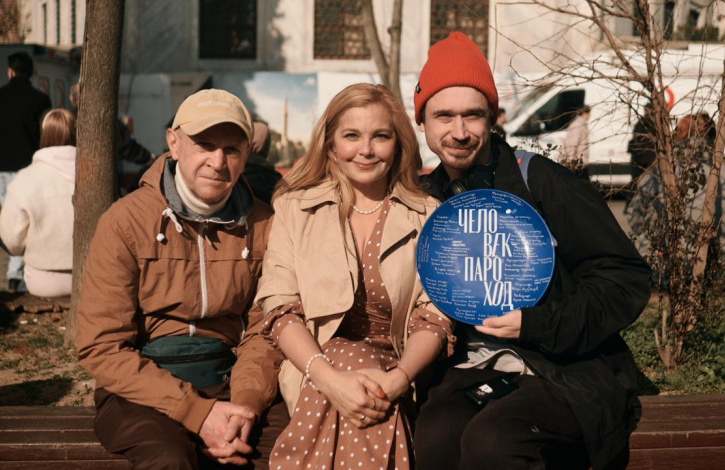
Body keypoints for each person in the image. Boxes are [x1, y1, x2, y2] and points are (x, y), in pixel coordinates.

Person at [413, 32, 651, 470]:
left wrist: (537, 324)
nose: (459, 132)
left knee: (494, 442)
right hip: (473, 368)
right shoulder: (426, 198)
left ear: (492, 117)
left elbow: (625, 278)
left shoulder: (539, 181)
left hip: (565, 368)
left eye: (473, 115)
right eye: (443, 115)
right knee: (434, 442)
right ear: (422, 121)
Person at [76, 89, 288, 469]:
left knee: (290, 447)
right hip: (139, 390)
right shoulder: (125, 222)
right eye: (204, 145)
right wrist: (196, 412)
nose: (217, 162)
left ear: (246, 156)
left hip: (230, 378)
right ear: (174, 143)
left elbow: (265, 330)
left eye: (231, 149)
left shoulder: (264, 224)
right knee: (169, 460)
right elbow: (102, 345)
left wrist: (244, 406)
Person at [253, 83, 454, 469]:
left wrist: (400, 378)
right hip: (312, 366)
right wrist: (329, 379)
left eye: (380, 136)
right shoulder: (294, 208)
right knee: (350, 362)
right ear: (330, 144)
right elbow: (280, 309)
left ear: (398, 144)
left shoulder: (428, 214)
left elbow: (435, 315)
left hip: (398, 368)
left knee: (364, 379)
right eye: (351, 136)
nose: (366, 149)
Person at [626, 114, 724, 265]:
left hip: (664, 262)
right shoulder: (720, 171)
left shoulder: (661, 170)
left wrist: (653, 239)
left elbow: (635, 215)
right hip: (714, 263)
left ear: (679, 134)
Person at [0, 109, 76, 298]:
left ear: (42, 135)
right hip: (92, 277)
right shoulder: (97, 176)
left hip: (42, 281)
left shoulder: (25, 179)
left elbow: (12, 244)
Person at [0, 51, 52, 292]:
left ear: (10, 71)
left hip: (1, 168)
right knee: (23, 221)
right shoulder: (40, 100)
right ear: (30, 73)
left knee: (7, 221)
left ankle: (13, 271)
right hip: (28, 168)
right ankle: (15, 272)